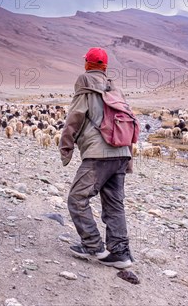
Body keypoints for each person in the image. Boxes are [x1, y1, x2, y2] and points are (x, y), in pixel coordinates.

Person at [59, 47, 134, 269]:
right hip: (122, 152)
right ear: (105, 66)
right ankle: (120, 254)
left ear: (87, 64)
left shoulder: (85, 83)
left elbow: (75, 117)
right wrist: (129, 158)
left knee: (77, 198)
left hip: (99, 155)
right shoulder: (115, 89)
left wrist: (66, 147)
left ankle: (93, 247)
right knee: (114, 204)